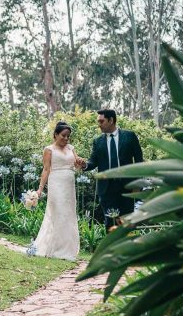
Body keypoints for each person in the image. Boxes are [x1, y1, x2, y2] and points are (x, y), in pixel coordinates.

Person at [79, 109, 144, 229]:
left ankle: (126, 241)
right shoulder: (98, 141)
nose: (99, 124)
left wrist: (138, 184)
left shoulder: (129, 136)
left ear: (111, 120)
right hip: (106, 189)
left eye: (101, 121)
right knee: (110, 223)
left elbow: (139, 161)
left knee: (127, 223)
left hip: (127, 187)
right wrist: (84, 165)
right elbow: (93, 161)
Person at [32, 121, 85, 260]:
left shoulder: (71, 148)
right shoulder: (49, 149)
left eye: (68, 136)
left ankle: (67, 250)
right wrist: (40, 189)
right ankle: (54, 249)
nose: (66, 139)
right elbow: (46, 169)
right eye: (63, 135)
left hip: (69, 185)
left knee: (68, 215)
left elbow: (77, 165)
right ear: (55, 134)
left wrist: (81, 163)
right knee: (58, 214)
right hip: (56, 184)